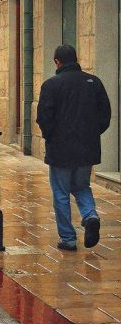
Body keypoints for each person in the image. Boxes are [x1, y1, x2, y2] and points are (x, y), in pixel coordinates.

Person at [36, 44, 111, 251]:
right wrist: (91, 134)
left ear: (57, 62)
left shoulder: (51, 85)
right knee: (81, 186)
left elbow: (44, 117)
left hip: (60, 150)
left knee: (61, 192)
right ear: (76, 59)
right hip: (86, 149)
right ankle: (90, 215)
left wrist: (51, 137)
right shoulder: (93, 82)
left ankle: (68, 238)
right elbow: (105, 115)